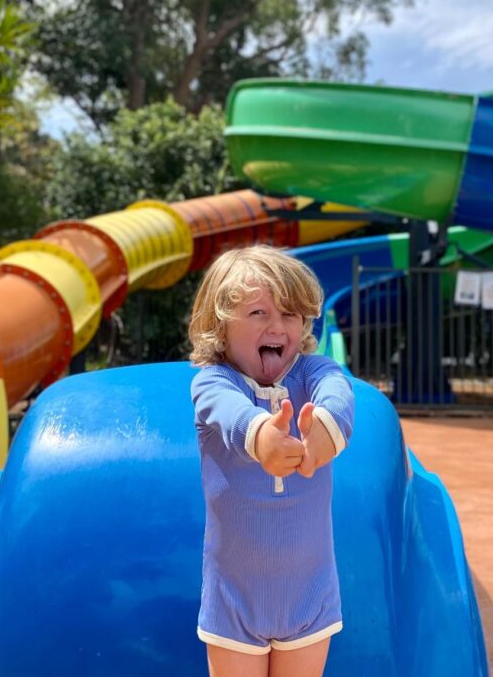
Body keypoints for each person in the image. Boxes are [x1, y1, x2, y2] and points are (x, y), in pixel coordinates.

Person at [188, 245, 355, 677]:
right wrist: (263, 436)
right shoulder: (213, 382)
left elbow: (338, 394)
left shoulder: (315, 371)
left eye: (290, 314)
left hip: (308, 592)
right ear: (220, 326)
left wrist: (323, 427)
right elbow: (228, 412)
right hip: (235, 598)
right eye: (259, 313)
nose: (278, 326)